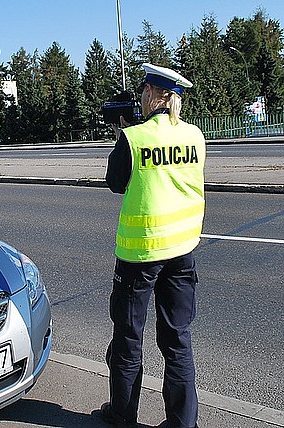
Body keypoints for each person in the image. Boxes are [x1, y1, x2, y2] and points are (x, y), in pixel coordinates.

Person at [100, 63, 206, 428]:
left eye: (144, 91)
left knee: (129, 339)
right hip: (182, 250)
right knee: (178, 340)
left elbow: (115, 182)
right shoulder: (194, 136)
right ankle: (183, 422)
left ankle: (122, 414)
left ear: (151, 95)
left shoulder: (136, 138)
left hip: (140, 255)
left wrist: (125, 133)